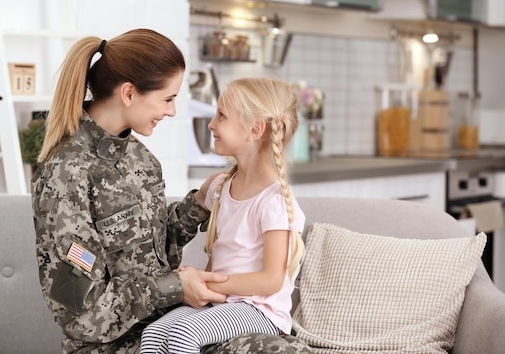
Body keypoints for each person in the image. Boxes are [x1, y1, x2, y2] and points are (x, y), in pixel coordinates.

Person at [31, 29, 312, 354]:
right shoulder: (65, 174)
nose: (173, 111)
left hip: (175, 327)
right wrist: (175, 287)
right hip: (116, 345)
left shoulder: (142, 160)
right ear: (128, 93)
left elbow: (151, 250)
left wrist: (197, 206)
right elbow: (82, 313)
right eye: (167, 99)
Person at [139, 77, 307, 354]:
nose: (211, 124)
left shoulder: (273, 202)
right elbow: (204, 241)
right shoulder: (220, 187)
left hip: (258, 309)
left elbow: (271, 280)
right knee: (154, 334)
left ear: (255, 129)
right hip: (224, 302)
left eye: (221, 116)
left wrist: (206, 282)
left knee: (184, 334)